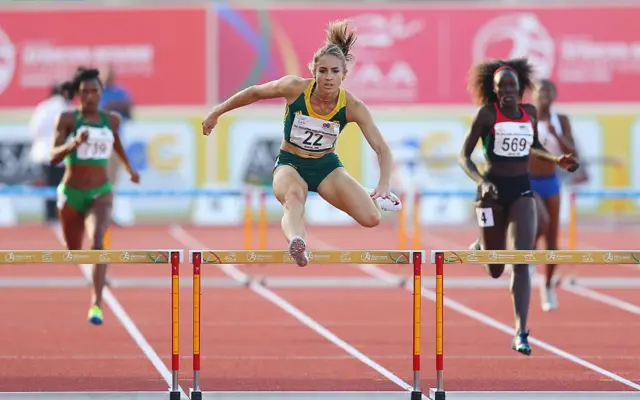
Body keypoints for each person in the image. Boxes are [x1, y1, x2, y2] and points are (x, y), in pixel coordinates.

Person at [202, 20, 401, 267]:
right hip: (291, 164)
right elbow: (254, 92)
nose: (328, 78)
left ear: (344, 75)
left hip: (327, 167)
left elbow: (382, 149)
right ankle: (297, 241)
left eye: (335, 72)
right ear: (314, 72)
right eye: (323, 71)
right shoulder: (295, 88)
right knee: (294, 198)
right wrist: (216, 112)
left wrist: (383, 183)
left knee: (372, 218)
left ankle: (375, 195)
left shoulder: (353, 107)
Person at [460, 58, 579, 356]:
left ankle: (520, 332)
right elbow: (464, 156)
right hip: (491, 193)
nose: (508, 92)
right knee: (495, 269)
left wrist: (556, 159)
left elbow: (533, 144)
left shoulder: (530, 113)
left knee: (522, 259)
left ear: (521, 88)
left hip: (522, 190)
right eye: (502, 87)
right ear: (495, 90)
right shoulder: (487, 115)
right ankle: (482, 243)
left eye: (513, 86)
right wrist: (479, 181)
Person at [50, 67, 140, 325]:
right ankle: (91, 284)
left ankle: (96, 304)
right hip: (71, 193)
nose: (90, 96)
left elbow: (117, 143)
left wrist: (129, 168)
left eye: (95, 91)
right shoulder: (67, 119)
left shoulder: (111, 120)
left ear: (101, 93)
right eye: (85, 92)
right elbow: (53, 156)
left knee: (98, 243)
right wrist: (74, 143)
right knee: (73, 249)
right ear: (77, 95)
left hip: (100, 192)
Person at [530, 79, 577, 312]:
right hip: (527, 180)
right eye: (540, 92)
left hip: (550, 181)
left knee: (552, 239)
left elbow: (572, 152)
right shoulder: (526, 118)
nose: (544, 96)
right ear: (534, 96)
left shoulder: (561, 121)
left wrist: (555, 135)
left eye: (548, 92)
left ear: (553, 95)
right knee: (539, 221)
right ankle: (525, 256)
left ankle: (547, 285)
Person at [28, 81, 74, 223]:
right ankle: (58, 216)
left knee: (49, 190)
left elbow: (34, 130)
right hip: (61, 155)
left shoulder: (43, 107)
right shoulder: (67, 108)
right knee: (62, 189)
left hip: (44, 154)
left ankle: (50, 217)